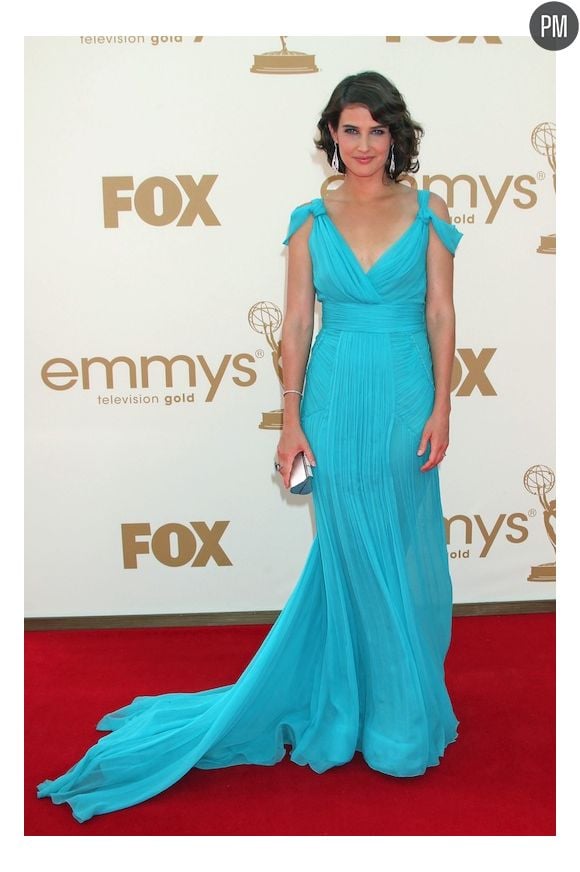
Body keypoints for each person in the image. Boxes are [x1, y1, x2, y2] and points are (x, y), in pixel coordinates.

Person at [37, 71, 463, 824]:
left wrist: (443, 404)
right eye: (349, 129)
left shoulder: (429, 211)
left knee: (391, 548)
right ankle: (360, 711)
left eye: (377, 130)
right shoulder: (308, 220)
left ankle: (397, 719)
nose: (362, 145)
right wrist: (291, 419)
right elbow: (296, 324)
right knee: (348, 550)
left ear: (396, 136)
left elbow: (439, 312)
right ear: (330, 133)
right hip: (332, 400)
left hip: (402, 397)